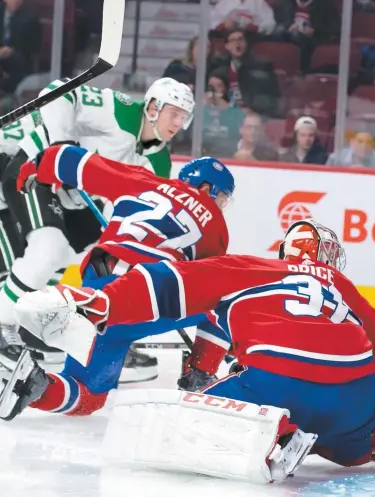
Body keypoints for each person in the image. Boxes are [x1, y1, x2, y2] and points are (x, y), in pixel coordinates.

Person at [7, 220, 375, 482]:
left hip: (274, 382)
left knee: (190, 416)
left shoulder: (252, 267)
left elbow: (167, 282)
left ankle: (277, 432)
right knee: (368, 435)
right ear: (331, 259)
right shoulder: (341, 285)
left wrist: (100, 301)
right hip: (357, 391)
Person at [0, 143, 234, 415]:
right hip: (143, 296)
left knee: (86, 391)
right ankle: (199, 375)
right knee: (228, 295)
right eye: (224, 198)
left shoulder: (143, 180)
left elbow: (73, 159)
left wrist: (34, 168)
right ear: (209, 189)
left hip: (97, 286)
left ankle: (33, 384)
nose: (222, 206)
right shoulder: (216, 225)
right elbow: (210, 279)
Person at [0, 77, 194, 382]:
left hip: (77, 199)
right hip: (39, 168)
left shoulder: (158, 163)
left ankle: (91, 337)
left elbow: (134, 213)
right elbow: (57, 92)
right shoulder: (121, 110)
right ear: (154, 107)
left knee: (105, 262)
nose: (179, 123)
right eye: (175, 113)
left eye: (185, 117)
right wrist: (61, 145)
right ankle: (3, 326)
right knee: (48, 248)